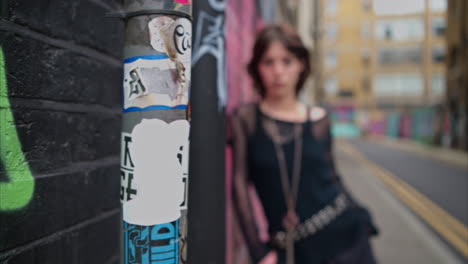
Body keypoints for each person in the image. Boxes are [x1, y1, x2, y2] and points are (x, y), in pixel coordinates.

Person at [230, 24, 378, 264]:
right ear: (258, 67)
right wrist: (258, 251)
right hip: (292, 249)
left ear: (301, 65)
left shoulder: (319, 120)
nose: (278, 71)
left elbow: (333, 176)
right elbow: (239, 184)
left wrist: (360, 214)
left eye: (286, 61)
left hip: (344, 238)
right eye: (269, 62)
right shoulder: (246, 119)